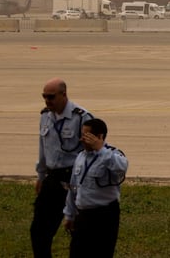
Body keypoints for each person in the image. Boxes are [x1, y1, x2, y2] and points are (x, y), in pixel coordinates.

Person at [31, 77, 93, 258]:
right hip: (52, 179)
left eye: (51, 97)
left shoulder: (81, 117)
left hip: (74, 179)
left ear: (63, 95)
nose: (47, 101)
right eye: (44, 97)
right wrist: (41, 176)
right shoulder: (45, 116)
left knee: (77, 229)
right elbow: (43, 148)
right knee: (39, 230)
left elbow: (92, 151)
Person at [63, 118, 128, 258]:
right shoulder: (80, 157)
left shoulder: (113, 154)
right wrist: (70, 214)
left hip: (104, 217)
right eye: (82, 134)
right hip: (83, 216)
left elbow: (121, 167)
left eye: (86, 136)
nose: (81, 139)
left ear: (99, 137)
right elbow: (74, 187)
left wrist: (100, 149)